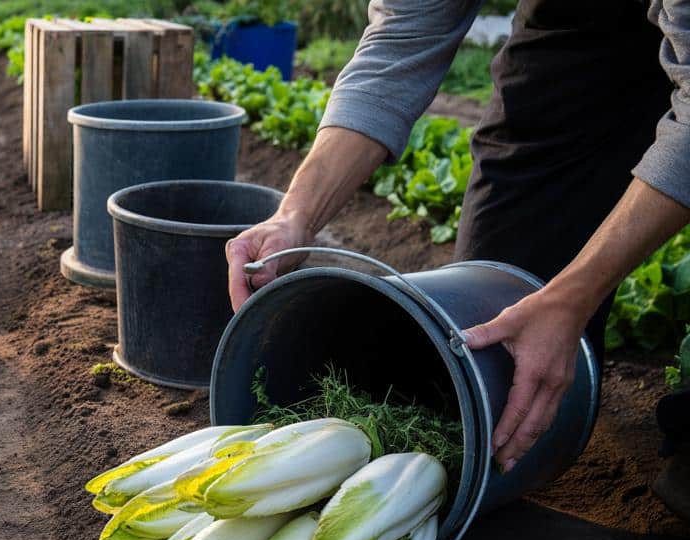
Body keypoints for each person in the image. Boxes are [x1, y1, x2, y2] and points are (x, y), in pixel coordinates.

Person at [224, 0, 690, 513]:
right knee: (487, 341)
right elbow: (400, 42)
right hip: (579, 28)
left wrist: (571, 299)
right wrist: (296, 216)